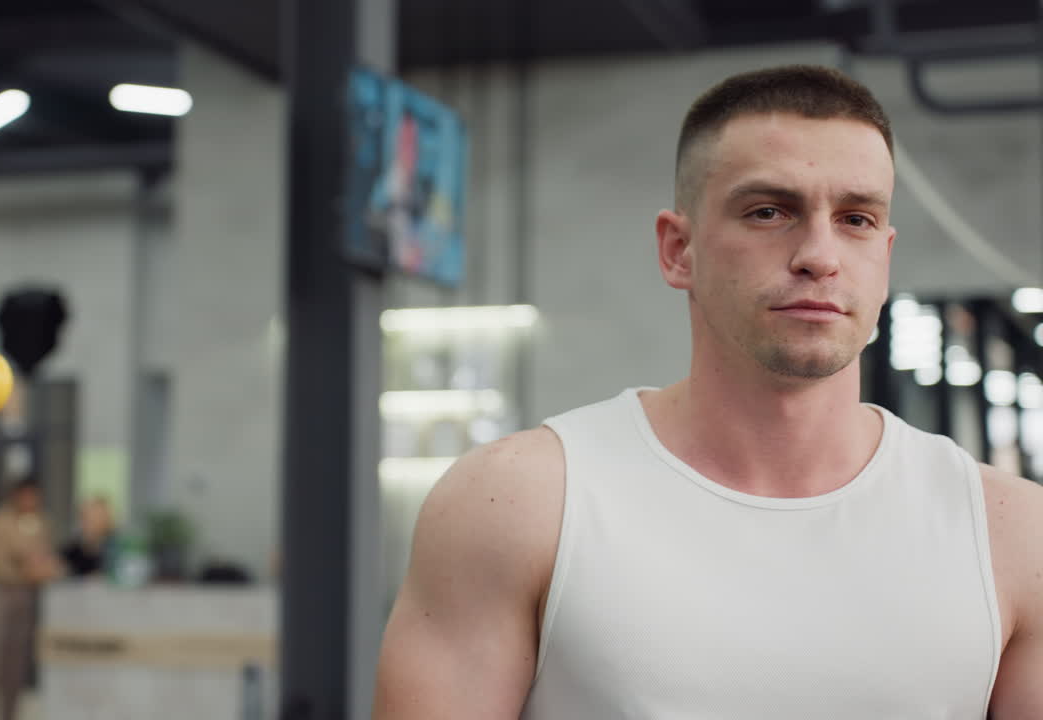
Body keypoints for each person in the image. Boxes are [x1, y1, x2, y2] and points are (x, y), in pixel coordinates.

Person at [373, 65, 1043, 718]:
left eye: (856, 219)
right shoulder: (518, 503)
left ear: (885, 255)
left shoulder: (1013, 535)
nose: (819, 253)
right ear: (678, 251)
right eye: (768, 211)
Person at [0, 478, 62, 720]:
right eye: (28, 496)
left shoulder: (42, 521)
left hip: (25, 600)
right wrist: (29, 568)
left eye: (35, 497)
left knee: (14, 670)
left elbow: (46, 558)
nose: (32, 502)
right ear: (17, 496)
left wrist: (37, 567)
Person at [60, 496, 115, 577]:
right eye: (90, 518)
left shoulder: (116, 552)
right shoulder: (68, 554)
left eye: (98, 518)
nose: (94, 524)